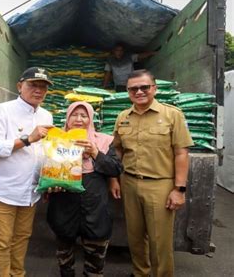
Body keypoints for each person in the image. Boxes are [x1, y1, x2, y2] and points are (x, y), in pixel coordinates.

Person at [111, 69, 193, 277]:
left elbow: (181, 153)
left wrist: (179, 189)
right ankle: (141, 273)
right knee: (135, 237)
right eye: (133, 89)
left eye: (144, 87)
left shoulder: (172, 115)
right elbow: (118, 150)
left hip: (160, 185)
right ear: (128, 92)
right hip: (129, 182)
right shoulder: (123, 117)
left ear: (154, 88)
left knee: (160, 240)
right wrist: (114, 179)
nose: (139, 92)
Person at [0, 67, 53, 277]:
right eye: (33, 85)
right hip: (3, 190)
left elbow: (46, 152)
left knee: (22, 237)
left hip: (31, 191)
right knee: (3, 242)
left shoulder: (46, 115)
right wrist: (26, 139)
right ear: (19, 86)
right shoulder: (3, 110)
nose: (38, 90)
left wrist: (49, 179)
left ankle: (17, 274)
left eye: (43, 87)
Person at [46, 101, 123, 277]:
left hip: (94, 209)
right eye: (74, 114)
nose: (79, 119)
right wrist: (49, 185)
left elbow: (115, 169)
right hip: (63, 207)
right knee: (65, 261)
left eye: (84, 115)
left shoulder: (103, 141)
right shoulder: (55, 139)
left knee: (95, 263)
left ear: (90, 119)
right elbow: (43, 169)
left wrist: (95, 152)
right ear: (67, 117)